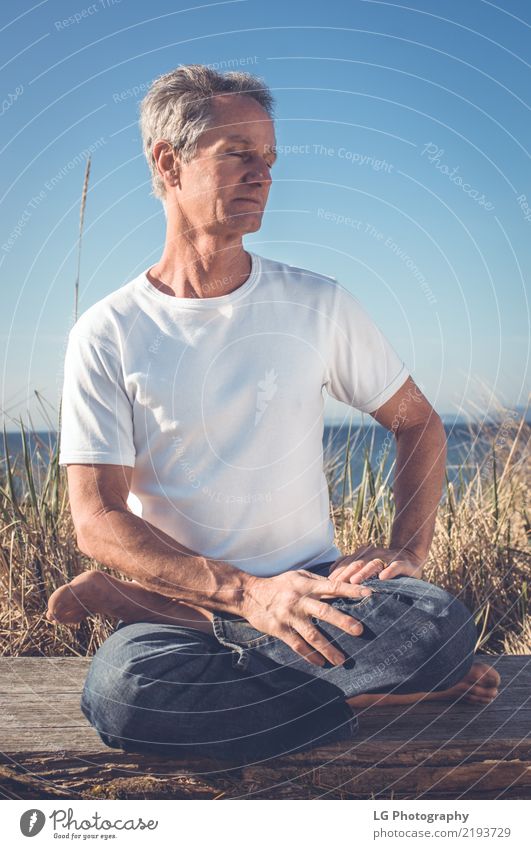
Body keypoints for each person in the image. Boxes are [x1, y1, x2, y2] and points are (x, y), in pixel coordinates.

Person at [48, 65, 499, 764]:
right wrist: (246, 594)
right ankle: (354, 688)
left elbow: (418, 423)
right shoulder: (107, 332)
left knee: (436, 624)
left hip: (318, 591)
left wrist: (405, 550)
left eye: (268, 159)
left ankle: (178, 624)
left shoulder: (316, 303)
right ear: (169, 161)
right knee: (125, 693)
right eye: (237, 155)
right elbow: (96, 518)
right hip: (191, 595)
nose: (262, 174)